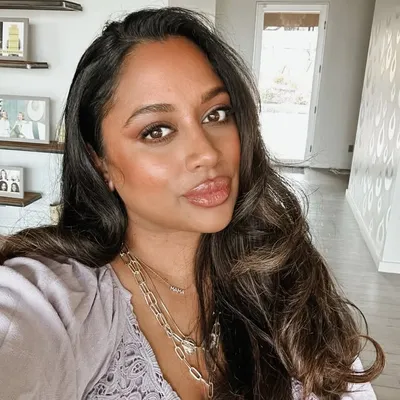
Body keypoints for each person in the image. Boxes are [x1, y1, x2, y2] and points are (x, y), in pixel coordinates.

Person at [0, 7, 384, 400]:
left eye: (217, 114)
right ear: (99, 162)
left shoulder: (280, 270)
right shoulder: (58, 302)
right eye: (157, 131)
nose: (207, 153)